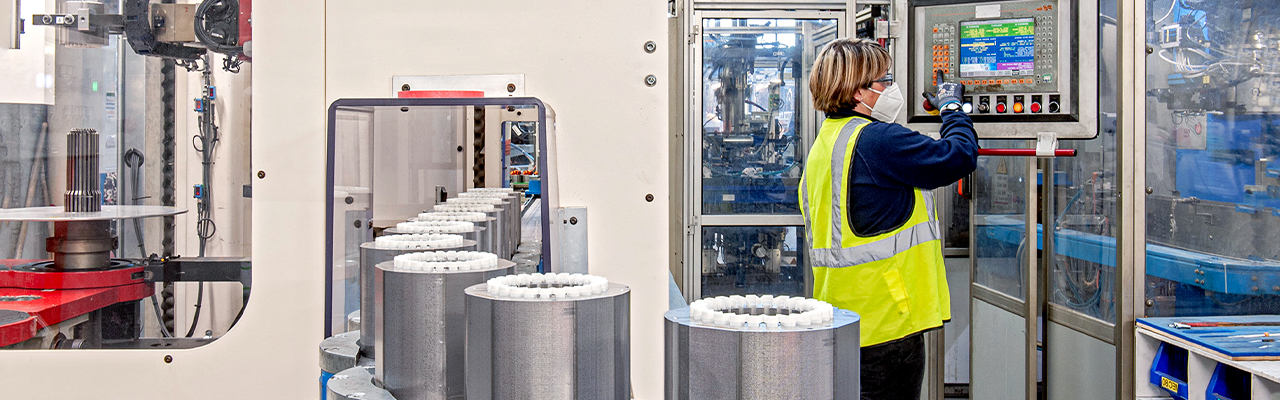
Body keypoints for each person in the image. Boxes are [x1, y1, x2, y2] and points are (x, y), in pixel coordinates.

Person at [799, 37, 978, 400]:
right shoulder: (877, 141)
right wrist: (953, 108)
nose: (890, 87)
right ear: (859, 92)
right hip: (888, 325)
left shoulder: (826, 144)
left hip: (845, 319)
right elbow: (957, 156)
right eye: (884, 80)